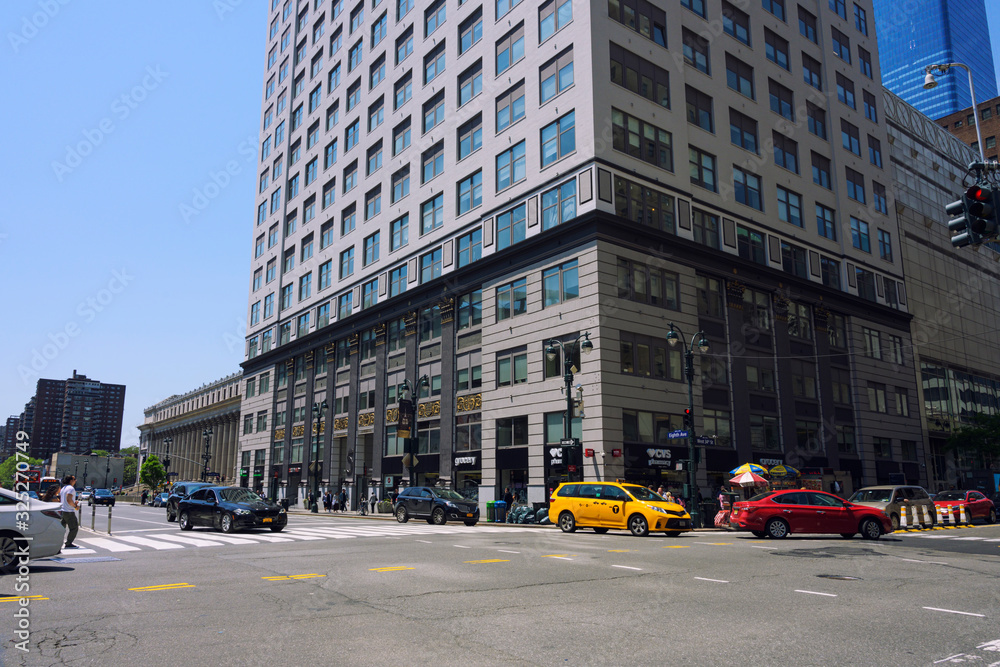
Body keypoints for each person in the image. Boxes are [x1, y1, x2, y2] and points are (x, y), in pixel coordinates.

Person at [59, 475, 81, 549]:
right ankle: (68, 543)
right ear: (71, 480)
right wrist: (75, 506)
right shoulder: (71, 488)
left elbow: (65, 499)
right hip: (69, 511)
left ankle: (57, 542)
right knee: (74, 528)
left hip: (63, 510)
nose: (75, 480)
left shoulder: (63, 488)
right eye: (74, 479)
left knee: (62, 528)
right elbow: (68, 499)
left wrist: (74, 502)